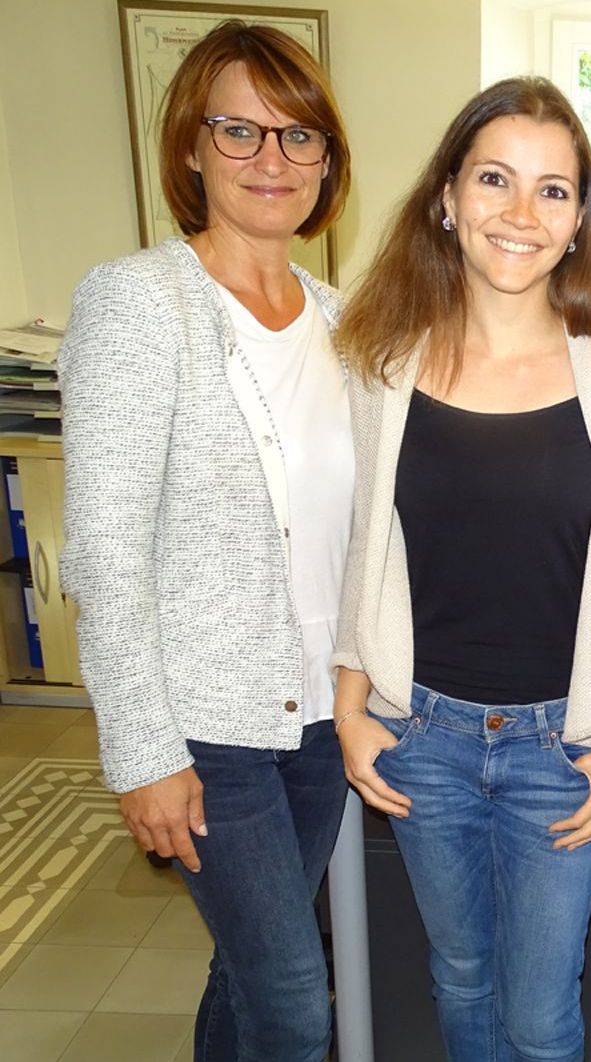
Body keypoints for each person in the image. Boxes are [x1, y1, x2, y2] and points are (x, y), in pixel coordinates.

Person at [330, 77, 591, 1062]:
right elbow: (368, 546)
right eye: (494, 179)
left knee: (538, 1009)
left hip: (559, 749)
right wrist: (353, 706)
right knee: (458, 977)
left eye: (553, 191)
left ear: (579, 220)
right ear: (447, 197)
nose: (521, 214)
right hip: (421, 736)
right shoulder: (384, 359)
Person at [59, 21, 353, 1062]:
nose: (273, 161)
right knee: (292, 999)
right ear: (191, 145)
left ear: (328, 159)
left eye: (299, 136)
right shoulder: (139, 302)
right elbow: (102, 549)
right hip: (208, 726)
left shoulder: (342, 319)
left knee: (248, 971)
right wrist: (142, 751)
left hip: (323, 719)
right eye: (241, 132)